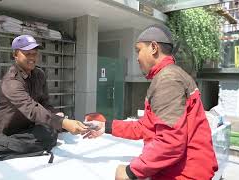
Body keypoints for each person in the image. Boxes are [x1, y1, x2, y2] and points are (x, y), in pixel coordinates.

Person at [84, 24, 218, 180]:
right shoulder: (168, 76)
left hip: (183, 174)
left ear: (154, 47)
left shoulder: (168, 80)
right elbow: (146, 127)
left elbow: (171, 143)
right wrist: (105, 127)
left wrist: (130, 172)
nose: (137, 57)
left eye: (138, 50)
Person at [0, 35, 87, 144]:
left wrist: (56, 114)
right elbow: (31, 108)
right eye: (27, 54)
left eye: (35, 53)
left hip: (28, 130)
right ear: (15, 55)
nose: (32, 57)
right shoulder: (11, 81)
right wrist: (62, 123)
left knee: (51, 135)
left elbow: (44, 103)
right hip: (7, 134)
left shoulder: (39, 74)